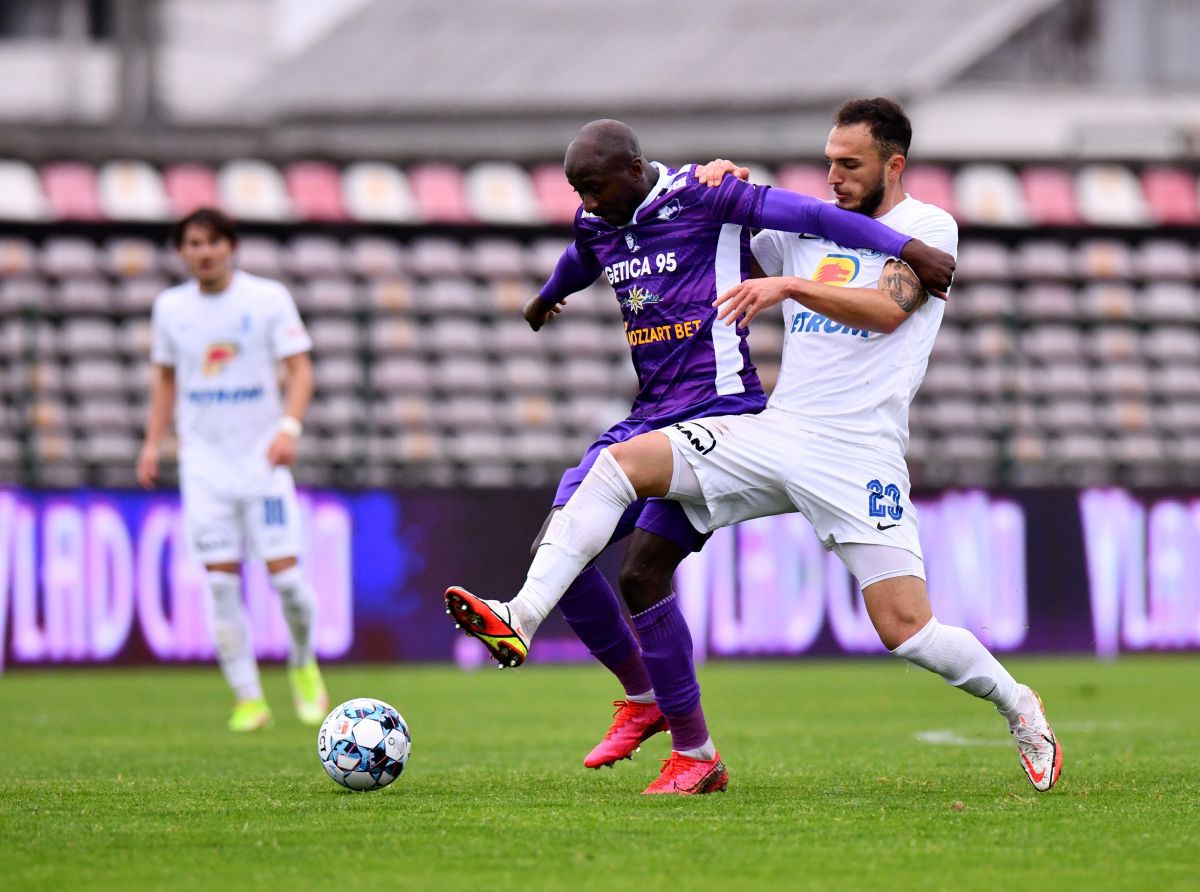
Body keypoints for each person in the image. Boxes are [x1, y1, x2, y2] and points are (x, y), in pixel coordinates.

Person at [447, 100, 1061, 795]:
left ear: (895, 164)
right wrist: (711, 180)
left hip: (859, 455)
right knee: (623, 484)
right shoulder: (801, 235)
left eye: (850, 164)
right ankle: (532, 626)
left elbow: (890, 310)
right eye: (829, 161)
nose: (834, 176)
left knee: (908, 630)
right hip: (774, 434)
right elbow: (708, 237)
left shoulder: (924, 227)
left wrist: (792, 285)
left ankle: (1019, 705)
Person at [138, 208, 329, 732]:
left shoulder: (266, 299)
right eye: (193, 244)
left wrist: (288, 428)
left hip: (261, 460)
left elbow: (300, 370)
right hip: (204, 467)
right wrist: (153, 443)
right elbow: (164, 380)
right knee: (221, 585)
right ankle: (248, 697)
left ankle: (302, 661)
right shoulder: (170, 309)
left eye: (212, 242)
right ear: (182, 252)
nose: (203, 252)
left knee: (287, 581)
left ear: (231, 246)